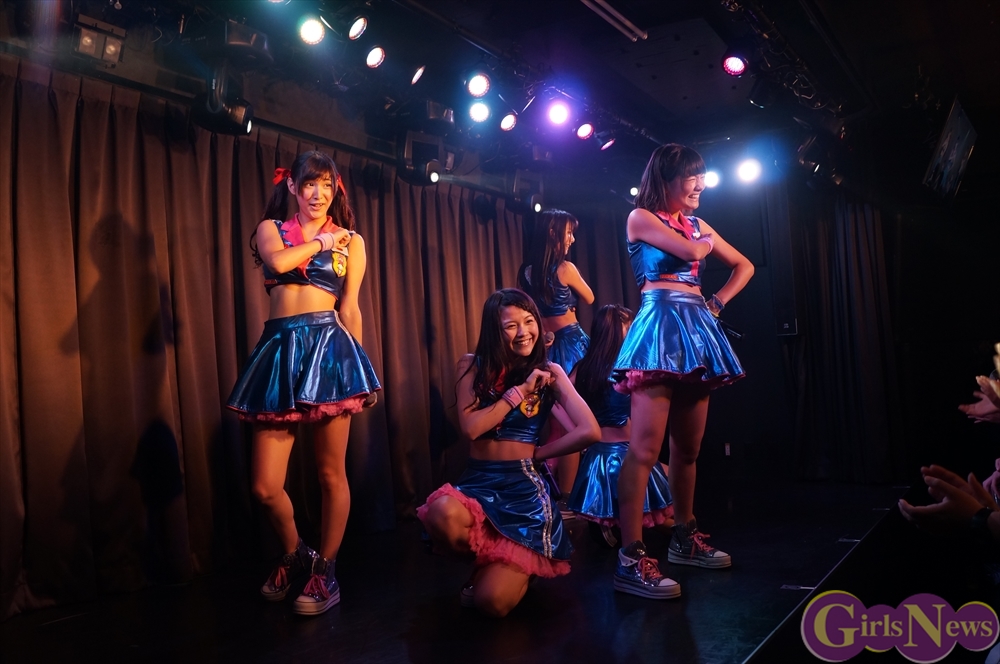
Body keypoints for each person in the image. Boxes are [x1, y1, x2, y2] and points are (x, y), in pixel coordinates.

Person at [226, 151, 380, 616]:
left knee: (331, 473)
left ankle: (325, 571)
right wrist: (321, 242)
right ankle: (296, 553)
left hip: (330, 350)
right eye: (310, 184)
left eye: (327, 185)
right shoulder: (272, 229)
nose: (319, 193)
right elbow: (277, 262)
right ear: (292, 186)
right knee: (264, 486)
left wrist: (359, 369)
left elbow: (349, 307)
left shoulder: (352, 242)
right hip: (279, 349)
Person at [611, 143, 753, 599]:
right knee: (644, 449)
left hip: (695, 329)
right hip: (658, 327)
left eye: (702, 177)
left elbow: (744, 266)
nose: (699, 185)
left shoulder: (697, 224)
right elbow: (693, 249)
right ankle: (630, 558)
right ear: (666, 179)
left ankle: (684, 539)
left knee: (688, 449)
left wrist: (718, 302)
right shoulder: (641, 217)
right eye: (691, 177)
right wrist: (704, 242)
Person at [417, 288, 600, 617]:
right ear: (494, 330)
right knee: (440, 515)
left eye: (529, 321)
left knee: (492, 604)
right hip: (479, 482)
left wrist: (539, 454)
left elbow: (590, 430)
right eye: (511, 326)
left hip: (523, 493)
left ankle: (521, 568)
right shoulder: (471, 366)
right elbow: (472, 428)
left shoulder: (550, 372)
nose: (523, 332)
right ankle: (487, 565)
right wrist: (517, 393)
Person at [565, 304, 673, 550]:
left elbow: (559, 401)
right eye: (630, 326)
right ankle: (681, 535)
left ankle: (616, 528)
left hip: (597, 455)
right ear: (617, 330)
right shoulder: (627, 370)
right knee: (656, 510)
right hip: (625, 453)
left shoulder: (583, 367)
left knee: (644, 504)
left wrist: (579, 431)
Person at [517, 209, 595, 494]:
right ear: (553, 233)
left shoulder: (526, 271)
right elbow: (590, 297)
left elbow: (527, 308)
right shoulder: (566, 268)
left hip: (545, 346)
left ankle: (551, 491)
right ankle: (567, 495)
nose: (572, 239)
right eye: (569, 233)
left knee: (554, 424)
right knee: (572, 423)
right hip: (571, 344)